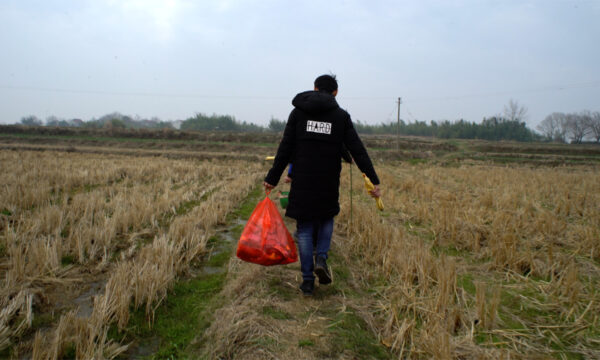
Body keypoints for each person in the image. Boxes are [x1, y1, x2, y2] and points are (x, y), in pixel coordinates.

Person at [264, 74, 381, 296]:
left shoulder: (298, 113)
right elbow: (357, 150)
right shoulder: (341, 117)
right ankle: (322, 259)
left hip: (303, 180)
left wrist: (272, 177)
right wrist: (373, 179)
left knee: (305, 229)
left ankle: (307, 281)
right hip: (327, 180)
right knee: (326, 218)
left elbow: (285, 148)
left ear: (315, 89)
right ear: (335, 92)